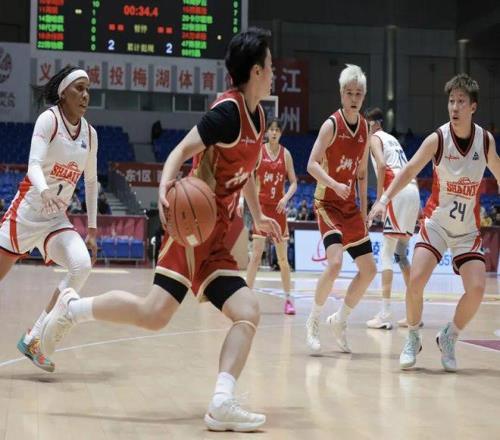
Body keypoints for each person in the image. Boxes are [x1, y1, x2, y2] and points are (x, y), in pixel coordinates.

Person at [39, 28, 280, 432]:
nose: (275, 73)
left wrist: (258, 215)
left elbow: (248, 172)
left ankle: (222, 401)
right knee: (153, 314)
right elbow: (180, 151)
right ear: (256, 71)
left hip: (218, 238)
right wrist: (167, 189)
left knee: (248, 311)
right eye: (271, 66)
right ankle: (72, 308)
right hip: (193, 231)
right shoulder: (227, 113)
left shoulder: (258, 118)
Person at [369, 74, 500, 372]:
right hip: (437, 224)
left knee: (477, 289)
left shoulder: (485, 141)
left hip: (467, 230)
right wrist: (383, 199)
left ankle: (449, 336)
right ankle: (413, 336)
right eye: (451, 101)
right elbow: (408, 170)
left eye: (461, 101)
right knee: (416, 280)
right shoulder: (438, 139)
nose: (454, 107)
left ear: (473, 107)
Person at [0, 66, 98, 372]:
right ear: (63, 93)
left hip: (55, 220)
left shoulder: (90, 135)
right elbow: (33, 165)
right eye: (79, 88)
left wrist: (92, 229)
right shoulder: (49, 120)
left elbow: (91, 182)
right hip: (25, 215)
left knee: (81, 265)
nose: (85, 95)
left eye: (88, 89)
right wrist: (44, 192)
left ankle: (34, 339)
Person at [305, 64, 377, 354]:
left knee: (369, 270)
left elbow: (362, 173)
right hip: (326, 203)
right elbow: (311, 165)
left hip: (349, 207)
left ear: (364, 96)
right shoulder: (331, 125)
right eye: (349, 93)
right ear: (341, 94)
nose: (354, 98)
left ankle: (340, 320)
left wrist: (364, 211)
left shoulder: (365, 128)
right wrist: (334, 184)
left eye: (358, 93)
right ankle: (313, 320)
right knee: (334, 263)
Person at [365, 107, 421, 329]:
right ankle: (414, 313)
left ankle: (385, 313)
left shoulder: (375, 138)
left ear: (372, 124)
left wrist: (381, 198)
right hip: (413, 191)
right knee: (401, 255)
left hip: (397, 192)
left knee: (386, 254)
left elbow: (381, 165)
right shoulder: (393, 140)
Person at [246, 118, 298, 315]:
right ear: (266, 132)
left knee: (283, 259)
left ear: (281, 133)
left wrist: (285, 198)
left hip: (278, 211)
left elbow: (294, 183)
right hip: (261, 209)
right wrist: (246, 201)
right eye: (271, 129)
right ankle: (246, 298)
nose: (274, 132)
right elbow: (247, 176)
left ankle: (288, 300)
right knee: (256, 255)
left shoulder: (286, 154)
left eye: (277, 130)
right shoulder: (259, 152)